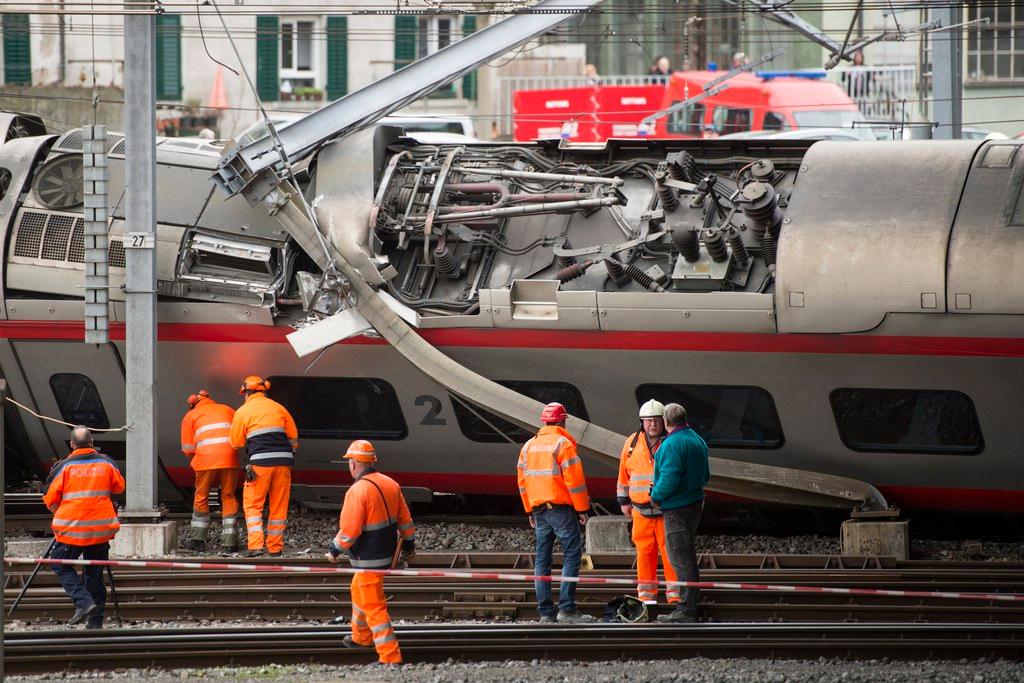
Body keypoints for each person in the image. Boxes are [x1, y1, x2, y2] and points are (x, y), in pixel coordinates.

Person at [326, 440, 415, 664]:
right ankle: (361, 636)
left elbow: (350, 530)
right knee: (358, 589)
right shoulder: (391, 484)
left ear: (355, 464)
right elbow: (406, 521)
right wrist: (409, 544)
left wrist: (334, 550)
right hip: (385, 556)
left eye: (350, 462)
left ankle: (390, 656)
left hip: (367, 558)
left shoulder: (357, 491)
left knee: (374, 606)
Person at [517, 402, 594, 623]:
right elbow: (575, 482)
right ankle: (567, 609)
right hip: (560, 510)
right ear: (562, 420)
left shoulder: (528, 446)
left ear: (544, 421)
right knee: (572, 555)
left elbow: (522, 483)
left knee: (543, 559)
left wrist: (529, 509)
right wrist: (582, 509)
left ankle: (546, 613)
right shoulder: (563, 444)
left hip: (539, 510)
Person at [43, 426, 126, 629]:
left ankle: (83, 602)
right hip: (101, 529)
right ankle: (95, 622)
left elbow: (50, 499)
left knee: (60, 564)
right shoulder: (106, 462)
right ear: (91, 442)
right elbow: (119, 488)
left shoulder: (63, 467)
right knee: (94, 572)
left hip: (72, 529)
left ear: (72, 444)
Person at [616, 399, 680, 606]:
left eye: (656, 420)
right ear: (642, 422)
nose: (652, 424)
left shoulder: (671, 442)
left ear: (664, 421)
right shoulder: (631, 443)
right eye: (648, 420)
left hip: (665, 511)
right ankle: (646, 596)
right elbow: (623, 475)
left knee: (669, 553)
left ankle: (675, 596)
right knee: (644, 553)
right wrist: (623, 501)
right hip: (640, 511)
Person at [650, 402, 710, 623]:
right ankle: (692, 602)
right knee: (687, 555)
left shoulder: (671, 445)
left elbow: (669, 479)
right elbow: (705, 475)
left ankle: (686, 610)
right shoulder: (697, 440)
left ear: (666, 422)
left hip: (676, 507)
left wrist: (655, 496)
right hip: (695, 502)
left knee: (679, 558)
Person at [229, 376, 298, 557]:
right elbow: (294, 437)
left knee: (253, 506)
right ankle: (275, 547)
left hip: (260, 463)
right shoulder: (278, 407)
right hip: (284, 462)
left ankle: (256, 546)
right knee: (279, 505)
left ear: (246, 393)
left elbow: (236, 443)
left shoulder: (243, 411)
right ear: (264, 391)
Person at [180, 390, 239, 552]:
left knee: (201, 496)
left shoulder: (190, 416)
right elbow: (239, 433)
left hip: (205, 459)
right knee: (228, 495)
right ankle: (230, 542)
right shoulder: (227, 409)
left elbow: (187, 448)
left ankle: (198, 540)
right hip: (229, 458)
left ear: (192, 405)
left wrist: (196, 460)